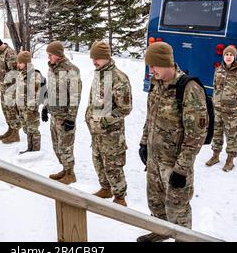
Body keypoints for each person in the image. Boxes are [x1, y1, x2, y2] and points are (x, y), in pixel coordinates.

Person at [138, 42, 208, 242]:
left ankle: (183, 239)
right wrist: (144, 144)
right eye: (149, 66)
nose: (151, 70)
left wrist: (182, 168)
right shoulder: (155, 84)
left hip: (175, 164)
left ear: (166, 62)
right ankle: (160, 230)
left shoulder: (188, 88)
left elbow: (197, 134)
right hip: (154, 160)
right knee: (156, 202)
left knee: (178, 207)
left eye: (154, 65)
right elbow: (149, 118)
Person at [85, 41, 132, 206]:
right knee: (98, 161)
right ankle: (105, 188)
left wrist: (104, 121)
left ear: (106, 57)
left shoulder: (119, 78)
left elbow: (125, 109)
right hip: (96, 132)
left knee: (113, 166)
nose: (94, 61)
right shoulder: (99, 74)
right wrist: (89, 117)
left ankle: (120, 198)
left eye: (97, 58)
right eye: (93, 58)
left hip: (111, 134)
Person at [42, 41, 82, 185]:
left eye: (50, 54)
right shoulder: (52, 68)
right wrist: (45, 107)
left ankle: (70, 174)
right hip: (54, 114)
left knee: (65, 147)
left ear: (58, 55)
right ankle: (65, 169)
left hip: (65, 116)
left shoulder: (71, 70)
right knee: (56, 146)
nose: (48, 57)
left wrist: (71, 118)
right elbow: (49, 90)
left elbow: (75, 96)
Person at [0, 34, 21, 143]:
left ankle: (15, 134)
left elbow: (15, 74)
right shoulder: (0, 53)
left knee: (12, 112)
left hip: (10, 90)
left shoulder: (10, 54)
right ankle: (10, 129)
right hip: (3, 90)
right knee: (6, 111)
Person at [15, 51, 42, 153]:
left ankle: (35, 151)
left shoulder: (34, 75)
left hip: (30, 110)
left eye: (20, 63)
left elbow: (36, 94)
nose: (18, 65)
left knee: (33, 130)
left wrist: (30, 109)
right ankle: (29, 148)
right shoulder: (21, 74)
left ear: (26, 63)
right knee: (27, 129)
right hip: (22, 108)